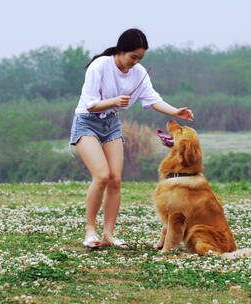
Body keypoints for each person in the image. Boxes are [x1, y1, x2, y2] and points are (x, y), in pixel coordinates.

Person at [70, 28, 194, 248]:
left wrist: (175, 112)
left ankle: (108, 234)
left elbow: (152, 99)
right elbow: (90, 103)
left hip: (111, 125)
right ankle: (90, 230)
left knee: (116, 180)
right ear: (120, 51)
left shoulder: (139, 72)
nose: (135, 62)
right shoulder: (100, 66)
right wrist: (114, 101)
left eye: (140, 58)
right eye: (133, 57)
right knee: (102, 176)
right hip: (87, 121)